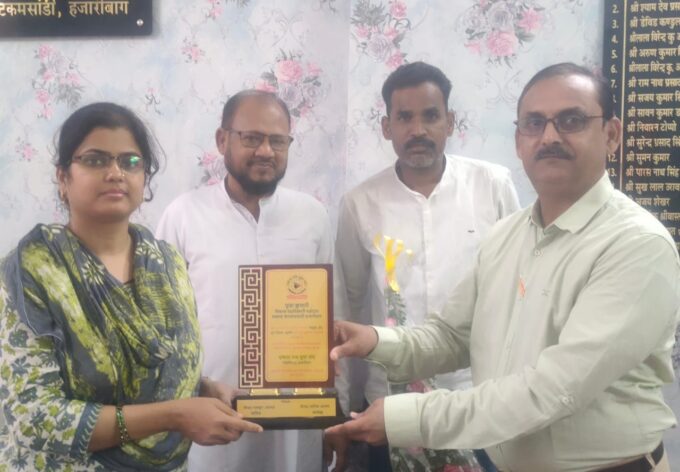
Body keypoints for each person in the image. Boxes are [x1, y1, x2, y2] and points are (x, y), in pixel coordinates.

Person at [326, 62, 680, 471]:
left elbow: (551, 390)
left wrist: (403, 417)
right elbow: (452, 336)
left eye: (571, 120)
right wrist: (373, 341)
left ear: (611, 135)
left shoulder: (635, 245)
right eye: (534, 123)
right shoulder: (507, 235)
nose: (550, 136)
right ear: (518, 140)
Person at [0, 102, 262, 471]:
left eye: (130, 161)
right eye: (95, 160)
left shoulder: (167, 264)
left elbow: (150, 373)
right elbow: (34, 418)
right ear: (63, 177)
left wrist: (200, 388)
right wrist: (175, 414)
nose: (115, 173)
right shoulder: (32, 273)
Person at [335, 61, 519, 471]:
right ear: (387, 127)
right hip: (389, 403)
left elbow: (517, 285)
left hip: (479, 396)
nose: (417, 129)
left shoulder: (492, 186)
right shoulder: (359, 204)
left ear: (449, 122)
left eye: (430, 116)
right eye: (404, 117)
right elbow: (349, 305)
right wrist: (341, 405)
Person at [156, 90, 345, 472]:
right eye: (252, 138)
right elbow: (160, 323)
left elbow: (331, 319)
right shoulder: (183, 215)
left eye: (278, 140)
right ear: (222, 140)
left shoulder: (311, 215)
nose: (265, 151)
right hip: (210, 417)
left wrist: (335, 414)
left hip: (298, 418)